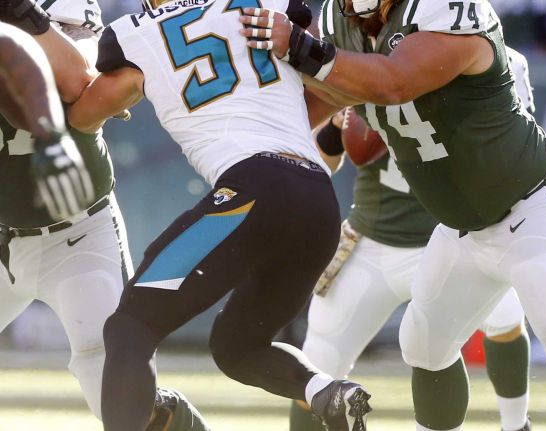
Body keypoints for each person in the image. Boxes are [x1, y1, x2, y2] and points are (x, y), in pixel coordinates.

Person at [240, 0, 546, 429]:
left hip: (532, 205)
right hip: (463, 227)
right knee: (425, 346)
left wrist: (300, 47)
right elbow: (321, 104)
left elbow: (395, 82)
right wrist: (252, 105)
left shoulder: (446, 9)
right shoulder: (341, 22)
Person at [66, 0, 372, 429]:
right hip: (317, 199)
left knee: (130, 327)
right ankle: (326, 392)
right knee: (239, 348)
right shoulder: (263, 5)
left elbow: (82, 117)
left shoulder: (136, 34)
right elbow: (330, 86)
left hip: (251, 190)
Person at [291, 46, 535, 431]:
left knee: (503, 317)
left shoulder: (497, 60)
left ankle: (516, 425)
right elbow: (322, 163)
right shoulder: (361, 58)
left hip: (455, 239)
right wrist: (338, 130)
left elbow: (514, 154)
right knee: (317, 366)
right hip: (373, 241)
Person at [0, 0, 211, 428]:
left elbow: (78, 79)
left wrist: (21, 15)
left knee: (122, 400)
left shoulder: (64, 21)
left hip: (77, 238)